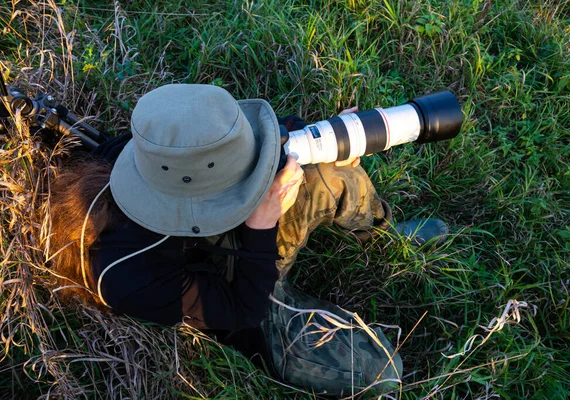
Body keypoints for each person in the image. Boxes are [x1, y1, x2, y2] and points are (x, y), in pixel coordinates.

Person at [49, 84, 448, 396]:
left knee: (330, 172)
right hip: (234, 287)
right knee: (379, 370)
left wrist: (329, 136)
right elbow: (242, 311)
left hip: (221, 228)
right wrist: (262, 225)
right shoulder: (128, 275)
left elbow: (270, 140)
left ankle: (384, 233)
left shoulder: (165, 148)